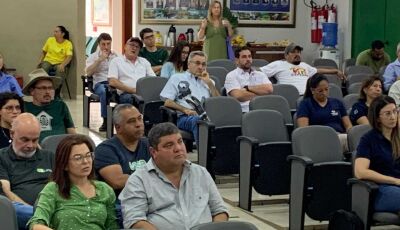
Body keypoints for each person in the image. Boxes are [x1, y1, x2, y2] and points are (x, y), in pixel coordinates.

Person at [119, 122, 229, 229]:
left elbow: (220, 211)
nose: (178, 148)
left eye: (180, 141)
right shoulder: (139, 180)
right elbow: (135, 221)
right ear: (153, 152)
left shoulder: (200, 173)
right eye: (169, 145)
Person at [27, 134, 119, 230]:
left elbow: (112, 227)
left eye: (88, 156)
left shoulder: (104, 189)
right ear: (65, 164)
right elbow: (36, 224)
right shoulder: (53, 189)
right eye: (78, 158)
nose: (86, 161)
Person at [0, 113, 54, 230]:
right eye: (25, 140)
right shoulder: (1, 157)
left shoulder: (49, 156)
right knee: (13, 209)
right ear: (12, 134)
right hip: (21, 211)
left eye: (35, 140)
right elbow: (6, 192)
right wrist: (37, 213)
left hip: (51, 207)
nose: (30, 145)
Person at [160, 51, 220, 144]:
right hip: (185, 117)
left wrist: (209, 83)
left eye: (203, 64)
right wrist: (185, 110)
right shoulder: (177, 78)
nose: (200, 67)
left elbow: (219, 102)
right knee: (200, 121)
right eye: (197, 63)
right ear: (188, 64)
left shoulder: (209, 81)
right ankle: (205, 156)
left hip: (207, 115)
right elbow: (167, 102)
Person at [354, 95, 400, 214]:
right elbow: (360, 172)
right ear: (378, 118)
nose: (393, 117)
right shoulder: (368, 139)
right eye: (388, 113)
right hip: (381, 189)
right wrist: (394, 181)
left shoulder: (398, 137)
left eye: (395, 112)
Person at [94, 104, 150, 195]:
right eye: (132, 121)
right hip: (121, 203)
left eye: (140, 119)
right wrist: (154, 177)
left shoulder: (149, 144)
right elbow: (118, 182)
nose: (138, 124)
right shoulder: (105, 150)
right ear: (118, 128)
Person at [260, 43, 345, 95]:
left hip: (308, 96)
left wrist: (335, 71)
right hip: (290, 96)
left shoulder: (304, 65)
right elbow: (259, 71)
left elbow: (318, 70)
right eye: (293, 52)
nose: (297, 54)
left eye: (299, 52)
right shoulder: (279, 64)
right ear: (286, 55)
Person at [297, 74, 352, 151]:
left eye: (326, 89)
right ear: (312, 90)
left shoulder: (337, 103)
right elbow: (304, 129)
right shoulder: (305, 104)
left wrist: (350, 135)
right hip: (319, 138)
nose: (324, 93)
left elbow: (348, 125)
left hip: (340, 136)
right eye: (320, 91)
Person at [23, 68, 76, 142]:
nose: (48, 92)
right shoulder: (25, 108)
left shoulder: (60, 105)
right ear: (32, 91)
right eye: (43, 88)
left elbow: (71, 130)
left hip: (61, 147)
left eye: (50, 88)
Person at [86, 33, 118, 132]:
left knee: (126, 94)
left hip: (115, 83)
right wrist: (99, 60)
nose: (106, 47)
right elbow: (88, 72)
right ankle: (106, 120)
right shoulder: (93, 56)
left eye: (108, 44)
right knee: (105, 91)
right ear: (99, 45)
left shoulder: (116, 56)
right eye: (103, 44)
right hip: (100, 83)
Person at [108, 37, 156, 105]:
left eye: (137, 46)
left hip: (144, 93)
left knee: (158, 100)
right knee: (132, 99)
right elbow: (112, 82)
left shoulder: (144, 61)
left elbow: (153, 79)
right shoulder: (116, 61)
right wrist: (133, 90)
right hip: (126, 94)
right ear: (125, 46)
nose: (134, 48)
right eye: (132, 45)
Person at [225, 46, 273, 112]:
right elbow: (239, 96)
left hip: (262, 109)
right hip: (242, 111)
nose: (248, 59)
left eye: (249, 56)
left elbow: (269, 89)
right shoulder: (231, 75)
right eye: (244, 57)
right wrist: (261, 94)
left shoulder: (260, 74)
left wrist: (247, 88)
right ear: (236, 60)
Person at [37, 26, 73, 96]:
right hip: (48, 61)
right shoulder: (50, 40)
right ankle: (43, 90)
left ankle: (56, 92)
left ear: (62, 34)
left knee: (60, 71)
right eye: (54, 31)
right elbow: (44, 52)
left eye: (56, 32)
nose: (54, 33)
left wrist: (63, 65)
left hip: (59, 63)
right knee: (44, 68)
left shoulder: (68, 43)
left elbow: (69, 57)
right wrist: (40, 61)